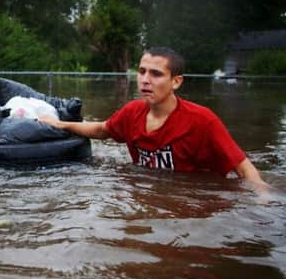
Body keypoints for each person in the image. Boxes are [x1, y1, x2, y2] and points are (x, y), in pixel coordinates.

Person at [39, 47, 268, 192]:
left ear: (176, 82)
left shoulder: (203, 121)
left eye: (156, 74)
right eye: (141, 71)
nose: (145, 80)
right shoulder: (132, 112)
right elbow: (102, 129)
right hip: (152, 188)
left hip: (194, 193)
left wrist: (262, 203)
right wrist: (62, 124)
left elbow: (244, 169)